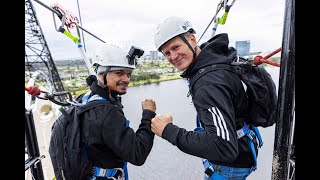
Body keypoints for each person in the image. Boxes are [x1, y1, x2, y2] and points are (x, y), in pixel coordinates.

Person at [151, 16, 259, 180]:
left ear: (192, 40)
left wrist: (168, 131)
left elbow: (224, 147)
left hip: (229, 168)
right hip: (244, 149)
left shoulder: (207, 85)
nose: (173, 56)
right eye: (167, 53)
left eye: (176, 47)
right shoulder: (214, 59)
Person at [79, 43, 156, 179]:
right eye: (119, 73)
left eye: (128, 74)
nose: (126, 79)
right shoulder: (107, 112)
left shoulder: (85, 99)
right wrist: (148, 115)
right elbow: (138, 154)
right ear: (102, 75)